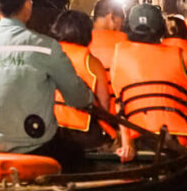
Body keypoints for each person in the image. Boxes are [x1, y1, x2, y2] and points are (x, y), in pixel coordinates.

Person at [0, 0, 94, 167]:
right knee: (77, 156)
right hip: (33, 147)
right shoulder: (45, 47)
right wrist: (87, 97)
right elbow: (76, 98)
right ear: (28, 5)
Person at [110, 4, 187, 152]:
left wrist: (127, 145)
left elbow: (120, 105)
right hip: (175, 136)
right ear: (162, 30)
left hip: (136, 136)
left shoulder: (119, 54)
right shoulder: (176, 55)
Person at [50, 9, 135, 162]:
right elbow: (104, 105)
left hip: (50, 132)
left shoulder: (45, 57)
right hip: (84, 135)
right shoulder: (91, 62)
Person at [89, 0, 127, 76]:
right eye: (121, 24)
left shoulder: (81, 40)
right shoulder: (124, 41)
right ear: (112, 17)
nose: (120, 28)